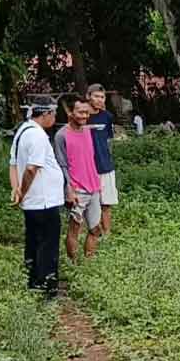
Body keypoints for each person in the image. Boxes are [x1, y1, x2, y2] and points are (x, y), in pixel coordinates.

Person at [9, 107, 64, 298]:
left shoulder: (22, 131)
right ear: (45, 114)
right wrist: (22, 191)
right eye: (54, 115)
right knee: (48, 245)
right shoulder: (38, 136)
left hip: (33, 202)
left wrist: (15, 190)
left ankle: (33, 281)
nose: (55, 118)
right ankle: (48, 287)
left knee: (33, 242)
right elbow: (31, 169)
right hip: (44, 200)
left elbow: (13, 164)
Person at [55, 96, 103, 261]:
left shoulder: (88, 130)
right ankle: (73, 264)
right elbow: (61, 165)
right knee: (75, 228)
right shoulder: (61, 135)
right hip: (77, 189)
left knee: (95, 228)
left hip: (94, 187)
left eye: (86, 113)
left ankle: (89, 262)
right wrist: (69, 188)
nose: (84, 116)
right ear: (70, 112)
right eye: (80, 112)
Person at [86, 84, 117, 235]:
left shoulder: (107, 117)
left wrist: (108, 158)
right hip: (87, 167)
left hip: (105, 165)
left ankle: (107, 233)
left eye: (102, 97)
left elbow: (109, 140)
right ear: (88, 96)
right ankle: (92, 232)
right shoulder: (82, 116)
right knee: (88, 203)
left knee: (106, 203)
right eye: (96, 96)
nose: (99, 100)